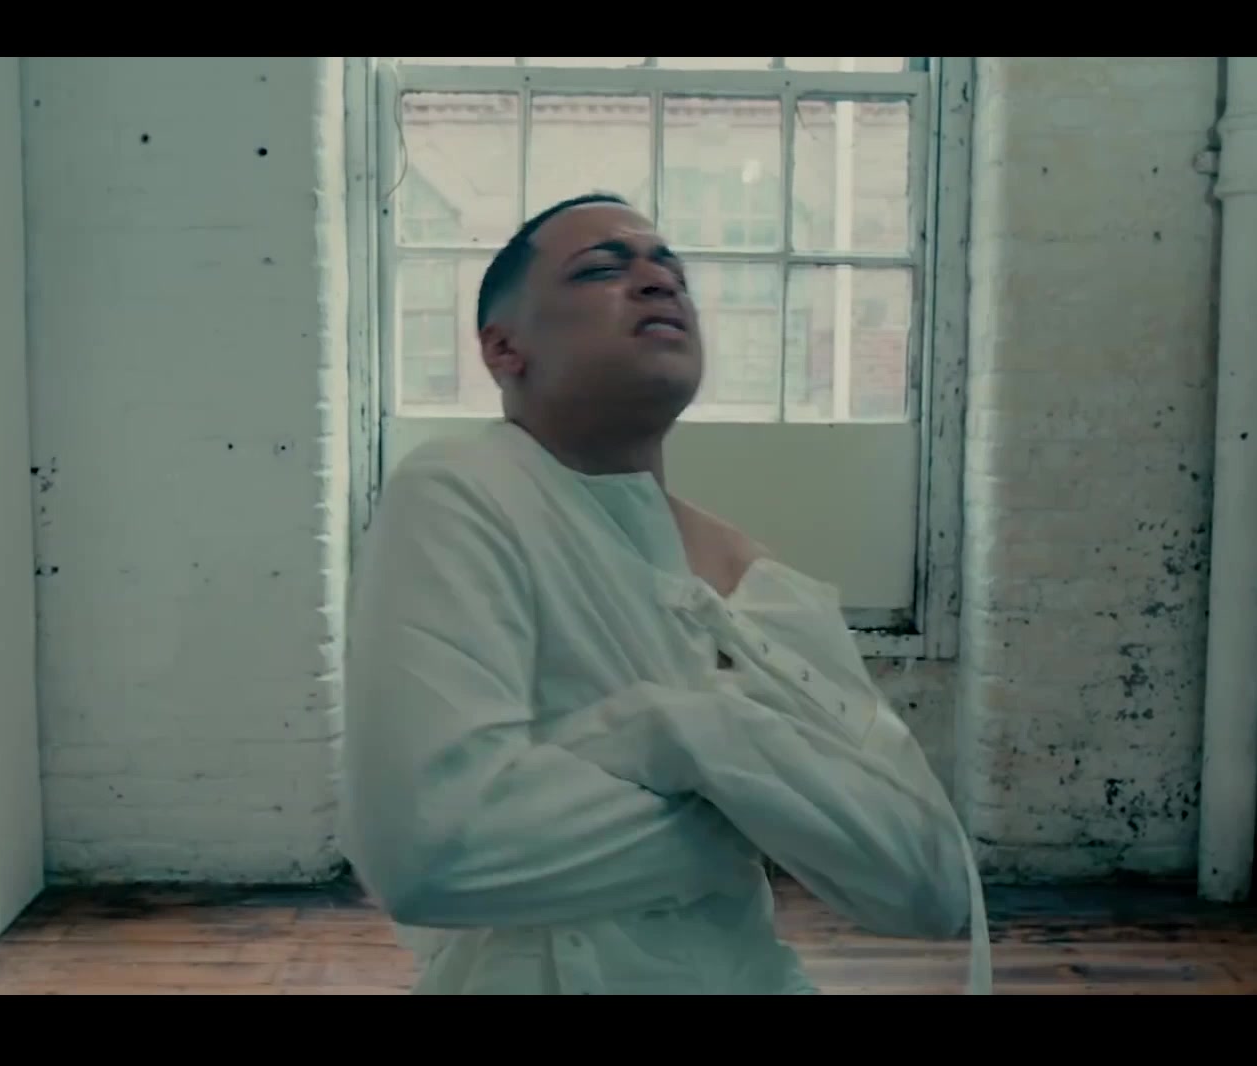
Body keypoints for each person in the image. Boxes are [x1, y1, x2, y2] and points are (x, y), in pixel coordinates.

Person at [338, 192, 991, 995]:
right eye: (601, 269)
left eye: (670, 268)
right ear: (504, 347)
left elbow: (928, 880)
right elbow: (436, 855)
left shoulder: (755, 579)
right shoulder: (459, 491)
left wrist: (704, 733)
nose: (658, 281)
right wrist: (734, 790)